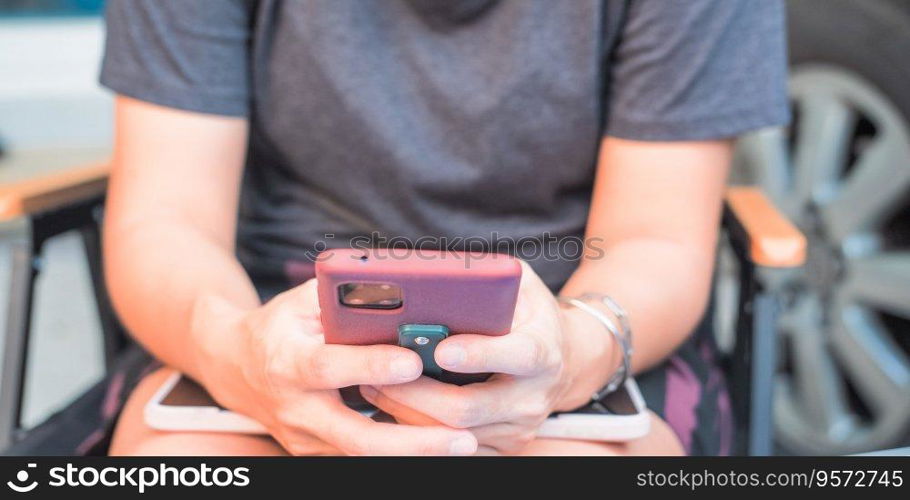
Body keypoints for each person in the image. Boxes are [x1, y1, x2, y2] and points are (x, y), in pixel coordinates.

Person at [100, 0, 788, 456]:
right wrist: (235, 354)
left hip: (575, 306)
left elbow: (653, 241)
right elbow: (167, 219)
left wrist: (573, 357)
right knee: (178, 461)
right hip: (272, 312)